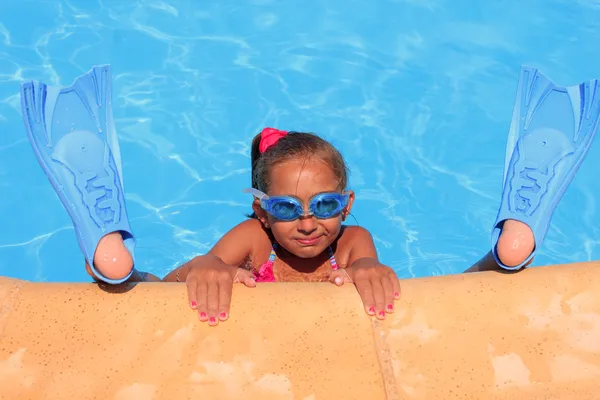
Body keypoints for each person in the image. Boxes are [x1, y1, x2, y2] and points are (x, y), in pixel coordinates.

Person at [19, 65, 600, 326]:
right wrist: (209, 270)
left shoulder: (351, 241)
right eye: (284, 209)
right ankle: (112, 258)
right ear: (260, 212)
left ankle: (508, 249)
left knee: (464, 292)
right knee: (153, 289)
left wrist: (369, 270)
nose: (306, 224)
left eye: (323, 206)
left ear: (345, 207)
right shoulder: (254, 241)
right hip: (172, 284)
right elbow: (206, 265)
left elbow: (368, 261)